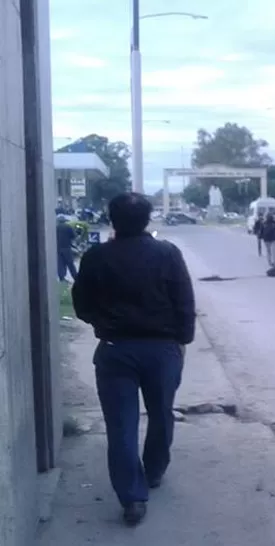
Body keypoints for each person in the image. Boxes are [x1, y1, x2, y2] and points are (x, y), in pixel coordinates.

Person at [71, 193, 196, 526]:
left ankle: (132, 498)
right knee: (161, 413)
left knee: (121, 425)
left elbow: (81, 304)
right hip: (162, 349)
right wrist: (181, 341)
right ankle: (153, 471)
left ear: (112, 220)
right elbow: (184, 300)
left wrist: (103, 321)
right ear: (148, 219)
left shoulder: (96, 257)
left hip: (115, 349)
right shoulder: (167, 253)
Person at [56, 215, 79, 282]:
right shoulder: (68, 227)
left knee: (60, 264)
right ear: (64, 221)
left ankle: (62, 278)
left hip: (58, 248)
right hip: (67, 248)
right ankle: (75, 278)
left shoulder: (56, 227)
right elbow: (74, 237)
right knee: (70, 263)